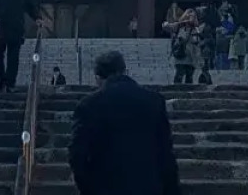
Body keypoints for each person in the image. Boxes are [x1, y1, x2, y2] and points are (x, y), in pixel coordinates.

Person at [67, 50, 182, 195]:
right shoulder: (154, 101)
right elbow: (166, 153)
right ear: (125, 70)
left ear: (98, 77)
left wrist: (88, 188)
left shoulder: (89, 105)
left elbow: (77, 155)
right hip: (148, 187)